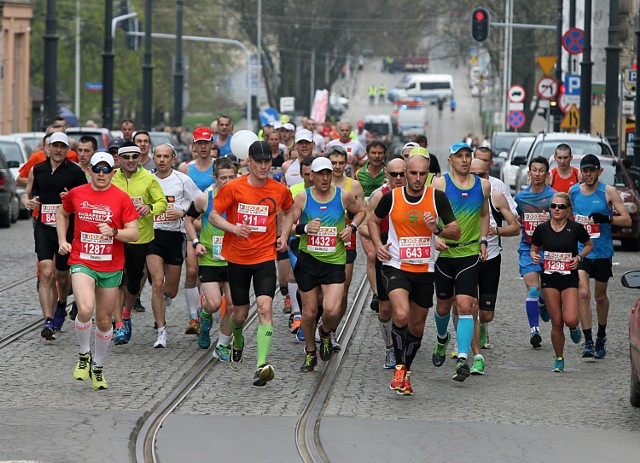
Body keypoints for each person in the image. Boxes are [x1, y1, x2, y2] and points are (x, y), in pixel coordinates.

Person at [368, 154, 460, 395]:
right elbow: (372, 220)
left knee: (417, 327)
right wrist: (378, 244)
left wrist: (437, 229)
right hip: (396, 265)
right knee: (400, 313)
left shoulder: (436, 197)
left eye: (422, 174)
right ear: (405, 173)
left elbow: (456, 231)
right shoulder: (392, 197)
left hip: (424, 269)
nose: (417, 179)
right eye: (413, 173)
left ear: (427, 174)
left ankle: (406, 371)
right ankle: (399, 368)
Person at [210, 141, 294, 386]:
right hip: (237, 258)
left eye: (267, 161)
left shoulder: (279, 189)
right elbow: (214, 215)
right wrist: (233, 228)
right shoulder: (234, 188)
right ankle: (237, 338)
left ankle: (261, 364)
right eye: (259, 162)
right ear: (249, 161)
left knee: (265, 308)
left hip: (265, 257)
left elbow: (288, 211)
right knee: (239, 314)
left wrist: (284, 235)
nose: (264, 166)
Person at [57, 152, 138, 390]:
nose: (101, 174)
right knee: (85, 308)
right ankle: (84, 355)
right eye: (96, 169)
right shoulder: (77, 193)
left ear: (114, 172)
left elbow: (134, 234)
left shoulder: (122, 198)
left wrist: (114, 233)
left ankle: (98, 366)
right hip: (82, 260)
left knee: (104, 320)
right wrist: (63, 239)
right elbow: (63, 213)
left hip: (111, 265)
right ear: (89, 170)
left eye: (106, 170)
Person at [279, 157, 364, 371]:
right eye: (320, 174)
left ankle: (325, 332)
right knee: (308, 313)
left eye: (328, 173)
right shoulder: (302, 198)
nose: (325, 178)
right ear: (312, 176)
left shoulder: (343, 196)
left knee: (332, 309)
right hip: (308, 261)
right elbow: (288, 226)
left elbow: (362, 211)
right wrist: (305, 229)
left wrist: (351, 228)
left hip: (334, 261)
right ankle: (309, 352)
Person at [431, 142, 490, 381]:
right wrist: (435, 237)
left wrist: (484, 240)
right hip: (445, 254)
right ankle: (442, 338)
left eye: (468, 156)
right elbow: (431, 215)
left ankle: (463, 358)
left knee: (466, 305)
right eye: (459, 156)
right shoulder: (440, 184)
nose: (464, 160)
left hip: (468, 253)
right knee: (443, 306)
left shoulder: (483, 185)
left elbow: (484, 214)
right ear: (450, 160)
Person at [21, 132, 88, 339]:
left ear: (68, 150)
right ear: (47, 148)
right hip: (43, 227)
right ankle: (48, 320)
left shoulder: (75, 172)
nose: (58, 150)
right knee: (46, 272)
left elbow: (86, 199)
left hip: (67, 227)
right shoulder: (37, 169)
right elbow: (27, 192)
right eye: (55, 146)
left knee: (61, 274)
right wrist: (27, 202)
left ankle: (61, 303)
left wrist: (71, 198)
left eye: (62, 146)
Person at [570, 154, 632, 358]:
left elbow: (627, 220)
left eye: (592, 170)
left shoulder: (609, 191)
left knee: (600, 295)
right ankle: (588, 340)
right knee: (584, 293)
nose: (588, 174)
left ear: (599, 171)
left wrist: (606, 218)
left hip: (603, 252)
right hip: (582, 251)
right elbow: (563, 213)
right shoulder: (574, 192)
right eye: (585, 171)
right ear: (581, 172)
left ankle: (601, 335)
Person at [111, 143, 167, 345]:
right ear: (119, 158)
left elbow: (162, 202)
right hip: (116, 238)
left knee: (133, 283)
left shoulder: (148, 178)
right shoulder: (112, 177)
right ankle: (118, 325)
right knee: (116, 280)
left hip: (140, 238)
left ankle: (126, 313)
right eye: (126, 157)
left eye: (135, 156)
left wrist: (149, 207)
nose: (131, 160)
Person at [530, 192, 593, 372]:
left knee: (571, 319)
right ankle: (559, 358)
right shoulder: (542, 229)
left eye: (561, 207)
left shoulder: (575, 228)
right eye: (553, 206)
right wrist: (535, 256)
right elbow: (534, 250)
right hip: (549, 278)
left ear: (568, 210)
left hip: (569, 279)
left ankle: (574, 327)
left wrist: (579, 257)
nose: (557, 209)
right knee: (557, 322)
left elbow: (589, 244)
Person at [147, 144, 201, 348]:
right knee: (157, 282)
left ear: (173, 159)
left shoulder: (182, 180)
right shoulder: (147, 179)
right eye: (158, 156)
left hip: (176, 235)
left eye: (165, 157)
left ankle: (164, 299)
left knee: (170, 289)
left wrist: (184, 213)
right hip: (152, 235)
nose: (161, 160)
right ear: (154, 158)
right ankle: (161, 331)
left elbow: (201, 203)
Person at [185, 157, 237, 361]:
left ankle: (223, 344)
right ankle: (204, 314)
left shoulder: (241, 197)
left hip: (234, 259)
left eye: (232, 177)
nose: (228, 181)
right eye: (223, 177)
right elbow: (188, 220)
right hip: (210, 259)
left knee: (232, 305)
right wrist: (196, 242)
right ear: (214, 178)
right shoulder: (204, 198)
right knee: (214, 303)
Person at [468, 159, 520, 360]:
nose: (477, 179)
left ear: (488, 175)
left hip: (491, 256)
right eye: (473, 175)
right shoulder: (459, 196)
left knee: (486, 313)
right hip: (467, 257)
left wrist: (495, 230)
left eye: (481, 175)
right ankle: (472, 351)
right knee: (468, 305)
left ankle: (481, 328)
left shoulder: (496, 197)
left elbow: (515, 228)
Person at [358, 156, 407, 368]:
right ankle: (390, 347)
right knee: (386, 308)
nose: (398, 178)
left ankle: (405, 344)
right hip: (386, 253)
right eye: (393, 174)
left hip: (412, 254)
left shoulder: (421, 195)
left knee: (409, 309)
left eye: (402, 174)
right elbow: (364, 225)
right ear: (386, 174)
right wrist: (378, 244)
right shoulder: (380, 196)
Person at [515, 156, 557, 348]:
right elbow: (515, 220)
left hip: (552, 251)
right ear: (529, 173)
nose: (537, 174)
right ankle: (535, 330)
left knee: (547, 293)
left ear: (547, 174)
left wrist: (551, 218)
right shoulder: (520, 198)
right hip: (528, 249)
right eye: (534, 170)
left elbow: (567, 222)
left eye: (541, 171)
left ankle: (542, 302)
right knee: (533, 287)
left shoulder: (554, 197)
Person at [355, 141, 387, 311]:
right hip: (366, 219)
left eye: (379, 153)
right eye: (373, 153)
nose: (376, 156)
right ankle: (376, 293)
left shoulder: (390, 173)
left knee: (383, 255)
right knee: (372, 255)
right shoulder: (360, 174)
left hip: (383, 218)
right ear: (367, 154)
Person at [178, 127, 215, 191]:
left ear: (212, 144)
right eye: (199, 143)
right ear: (194, 145)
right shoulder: (184, 168)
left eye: (206, 143)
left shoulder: (220, 165)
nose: (203, 146)